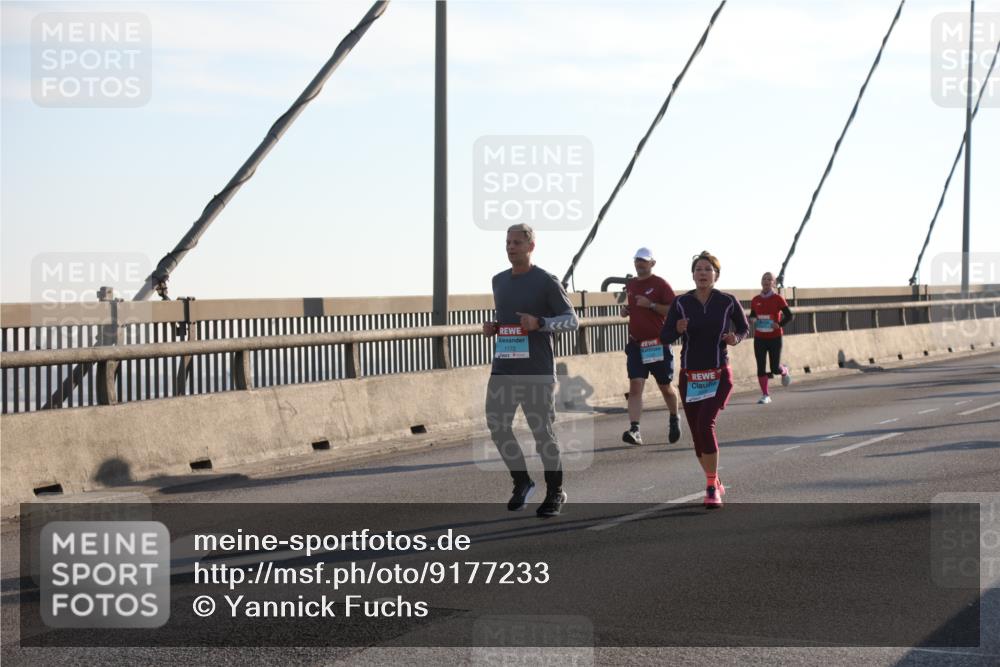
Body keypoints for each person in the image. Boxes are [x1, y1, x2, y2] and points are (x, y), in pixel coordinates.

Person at [482, 223, 580, 518]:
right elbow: (510, 319)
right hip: (504, 367)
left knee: (542, 434)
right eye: (507, 242)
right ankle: (522, 481)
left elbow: (572, 321)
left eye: (517, 243)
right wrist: (494, 328)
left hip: (536, 370)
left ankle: (555, 491)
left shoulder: (546, 281)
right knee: (497, 426)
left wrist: (541, 323)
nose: (511, 247)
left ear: (530, 247)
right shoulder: (498, 281)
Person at [662, 251, 749, 509]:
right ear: (693, 274)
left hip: (719, 374)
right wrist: (676, 329)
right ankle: (714, 479)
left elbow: (744, 328)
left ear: (716, 275)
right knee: (697, 435)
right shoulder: (681, 303)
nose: (702, 273)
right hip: (690, 377)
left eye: (707, 269)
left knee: (705, 424)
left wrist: (736, 338)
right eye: (698, 269)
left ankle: (711, 487)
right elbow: (665, 336)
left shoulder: (727, 301)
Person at [620, 247, 681, 446]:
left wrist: (652, 305)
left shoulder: (660, 284)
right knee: (635, 386)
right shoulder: (631, 285)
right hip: (637, 345)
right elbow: (635, 308)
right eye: (637, 260)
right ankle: (635, 429)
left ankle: (674, 417)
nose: (640, 263)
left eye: (644, 261)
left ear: (652, 263)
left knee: (665, 388)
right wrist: (626, 310)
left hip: (657, 344)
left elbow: (674, 309)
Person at [749, 272, 794, 405]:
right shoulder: (755, 300)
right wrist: (752, 320)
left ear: (774, 283)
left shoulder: (778, 299)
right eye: (764, 278)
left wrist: (778, 324)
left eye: (770, 279)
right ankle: (765, 395)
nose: (766, 281)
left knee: (774, 369)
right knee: (760, 367)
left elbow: (789, 316)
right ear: (761, 282)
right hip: (759, 338)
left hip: (775, 337)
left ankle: (784, 370)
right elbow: (752, 315)